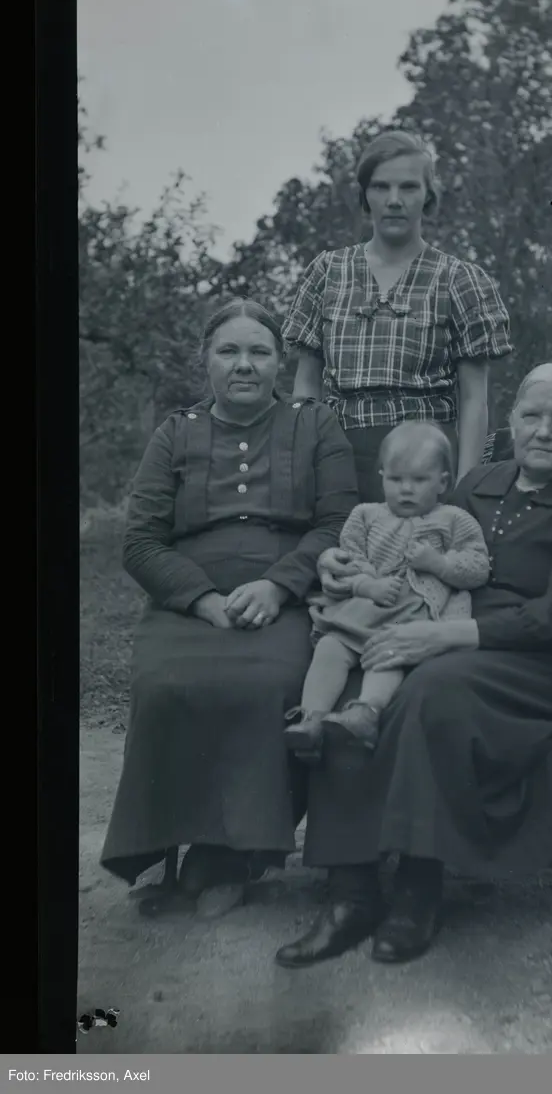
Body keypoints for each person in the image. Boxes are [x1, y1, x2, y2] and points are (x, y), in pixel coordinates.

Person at [274, 362, 552, 968]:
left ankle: (419, 886)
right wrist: (344, 568)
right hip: (444, 628)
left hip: (538, 660)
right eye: (531, 415)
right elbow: (401, 543)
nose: (543, 430)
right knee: (356, 681)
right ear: (511, 422)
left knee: (430, 690)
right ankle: (350, 891)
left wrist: (439, 636)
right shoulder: (482, 482)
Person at [100, 299, 359, 919]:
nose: (244, 364)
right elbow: (140, 541)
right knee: (164, 685)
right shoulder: (176, 432)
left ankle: (232, 855)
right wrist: (202, 599)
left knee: (265, 684)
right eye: (229, 351)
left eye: (259, 352)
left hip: (285, 594)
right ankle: (161, 849)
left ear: (280, 362)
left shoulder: (315, 423)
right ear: (206, 361)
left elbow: (338, 522)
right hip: (189, 600)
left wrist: (278, 586)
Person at [281, 130, 513, 501]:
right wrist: (302, 466)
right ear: (365, 195)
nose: (393, 200)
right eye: (380, 187)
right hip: (339, 459)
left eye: (408, 187)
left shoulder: (458, 279)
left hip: (426, 462)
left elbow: (474, 400)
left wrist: (465, 488)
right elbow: (306, 387)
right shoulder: (328, 271)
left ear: (428, 195)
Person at [283, 421, 490, 756]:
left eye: (419, 480)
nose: (406, 490)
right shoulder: (365, 515)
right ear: (381, 477)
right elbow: (349, 557)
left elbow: (478, 566)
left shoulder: (455, 519)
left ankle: (366, 712)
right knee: (331, 647)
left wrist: (438, 563)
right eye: (395, 479)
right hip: (365, 607)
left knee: (389, 652)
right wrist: (367, 584)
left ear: (443, 482)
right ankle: (312, 719)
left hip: (410, 618)